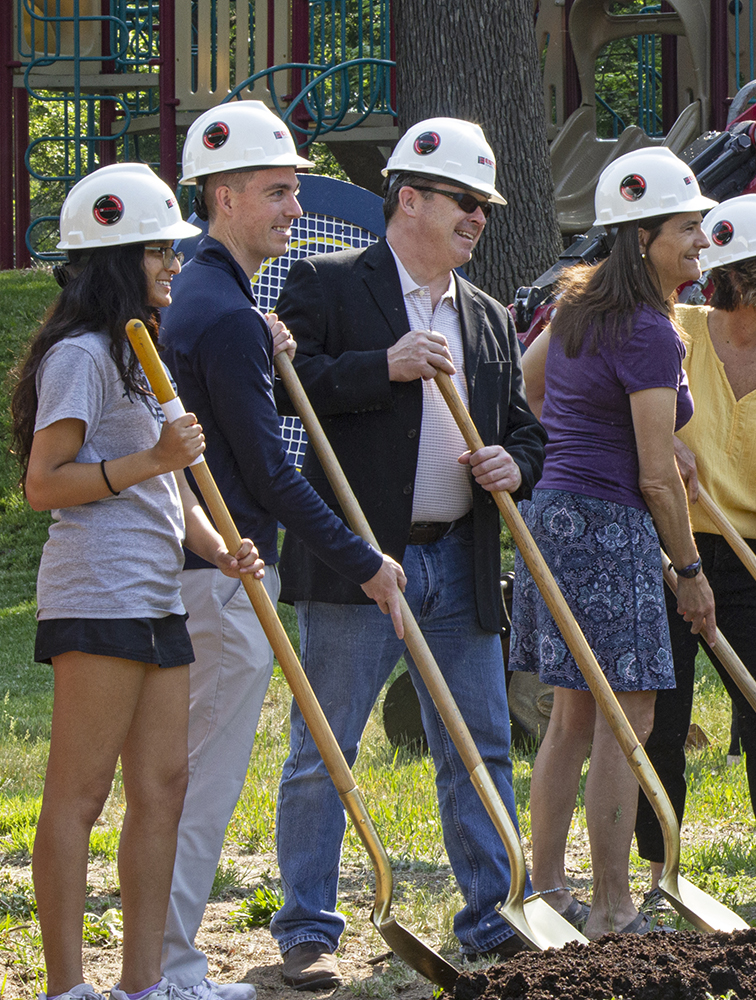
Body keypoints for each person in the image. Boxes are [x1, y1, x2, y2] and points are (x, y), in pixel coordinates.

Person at [267, 117, 545, 982]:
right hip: (357, 563)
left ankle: (490, 918)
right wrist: (379, 366)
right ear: (410, 197)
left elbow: (528, 435)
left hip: (459, 562)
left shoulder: (490, 316)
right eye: (465, 201)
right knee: (326, 749)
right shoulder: (328, 282)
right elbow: (283, 384)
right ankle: (307, 929)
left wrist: (514, 461)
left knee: (482, 744)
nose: (478, 220)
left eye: (486, 207)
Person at [157, 102, 407, 999]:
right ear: (222, 196)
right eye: (277, 192)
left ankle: (161, 961)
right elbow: (267, 476)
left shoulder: (204, 295)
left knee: (174, 780)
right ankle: (175, 968)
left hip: (193, 568)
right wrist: (365, 562)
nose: (295, 211)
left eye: (296, 190)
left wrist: (261, 337)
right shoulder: (222, 314)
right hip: (221, 578)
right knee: (199, 786)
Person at [11, 164, 261, 1000]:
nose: (174, 268)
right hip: (97, 593)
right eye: (160, 252)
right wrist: (152, 459)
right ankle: (68, 989)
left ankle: (145, 985)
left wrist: (218, 548)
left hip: (158, 592)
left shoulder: (137, 351)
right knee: (79, 796)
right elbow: (45, 483)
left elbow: (168, 489)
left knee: (164, 787)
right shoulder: (81, 355)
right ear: (119, 257)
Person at [510, 146, 717, 938]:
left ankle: (550, 892)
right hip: (607, 525)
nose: (700, 242)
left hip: (554, 513)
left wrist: (589, 437)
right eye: (687, 230)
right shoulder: (650, 332)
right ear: (640, 239)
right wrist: (691, 571)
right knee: (625, 719)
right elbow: (659, 481)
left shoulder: (575, 308)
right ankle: (611, 907)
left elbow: (534, 387)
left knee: (570, 714)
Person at [621, 194, 756, 916]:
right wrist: (662, 442)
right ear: (739, 275)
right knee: (664, 715)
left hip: (751, 558)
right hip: (669, 544)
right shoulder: (672, 333)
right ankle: (662, 877)